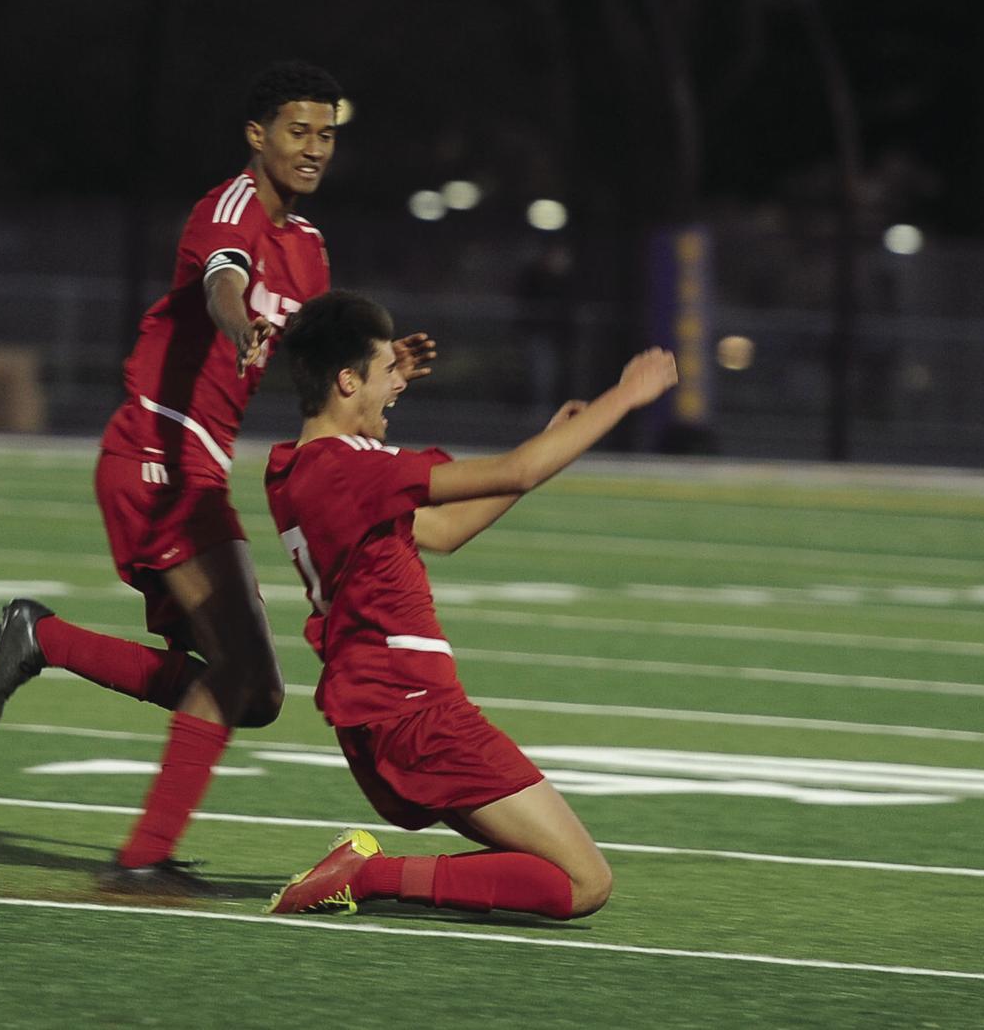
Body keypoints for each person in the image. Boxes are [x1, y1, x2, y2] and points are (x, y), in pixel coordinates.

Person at [0, 62, 436, 897]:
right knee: (239, 668)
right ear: (257, 135)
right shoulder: (227, 210)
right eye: (298, 131)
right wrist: (236, 323)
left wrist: (383, 369)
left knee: (253, 691)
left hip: (197, 468)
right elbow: (226, 281)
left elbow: (318, 362)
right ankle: (141, 856)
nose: (314, 148)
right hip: (157, 453)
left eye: (327, 134)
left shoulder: (308, 245)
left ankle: (44, 639)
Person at [262, 290, 678, 919]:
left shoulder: (297, 468)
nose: (397, 387)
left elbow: (446, 530)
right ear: (346, 381)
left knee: (544, 867)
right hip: (415, 711)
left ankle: (371, 875)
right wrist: (623, 396)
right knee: (583, 883)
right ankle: (367, 875)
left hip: (383, 710)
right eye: (386, 373)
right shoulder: (351, 468)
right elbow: (517, 471)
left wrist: (548, 440)